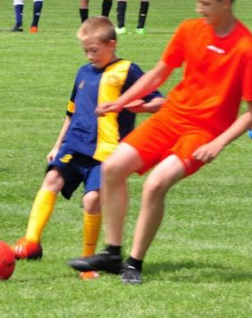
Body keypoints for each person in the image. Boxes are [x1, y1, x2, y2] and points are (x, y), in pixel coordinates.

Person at [68, 0, 252, 285]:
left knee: (156, 184)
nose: (198, 9)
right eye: (197, 1)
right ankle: (112, 253)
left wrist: (218, 143)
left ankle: (134, 263)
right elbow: (158, 74)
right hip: (170, 116)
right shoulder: (189, 29)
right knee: (112, 168)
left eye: (205, 3)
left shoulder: (246, 48)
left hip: (201, 133)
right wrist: (120, 102)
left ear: (225, 3)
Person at [12, 16, 164, 280]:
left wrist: (138, 106)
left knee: (92, 200)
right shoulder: (83, 72)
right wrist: (57, 145)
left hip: (108, 151)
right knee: (52, 178)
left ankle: (90, 261)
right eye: (85, 51)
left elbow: (159, 100)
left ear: (111, 45)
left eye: (93, 50)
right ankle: (31, 241)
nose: (89, 56)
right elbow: (70, 113)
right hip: (75, 143)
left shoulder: (127, 70)